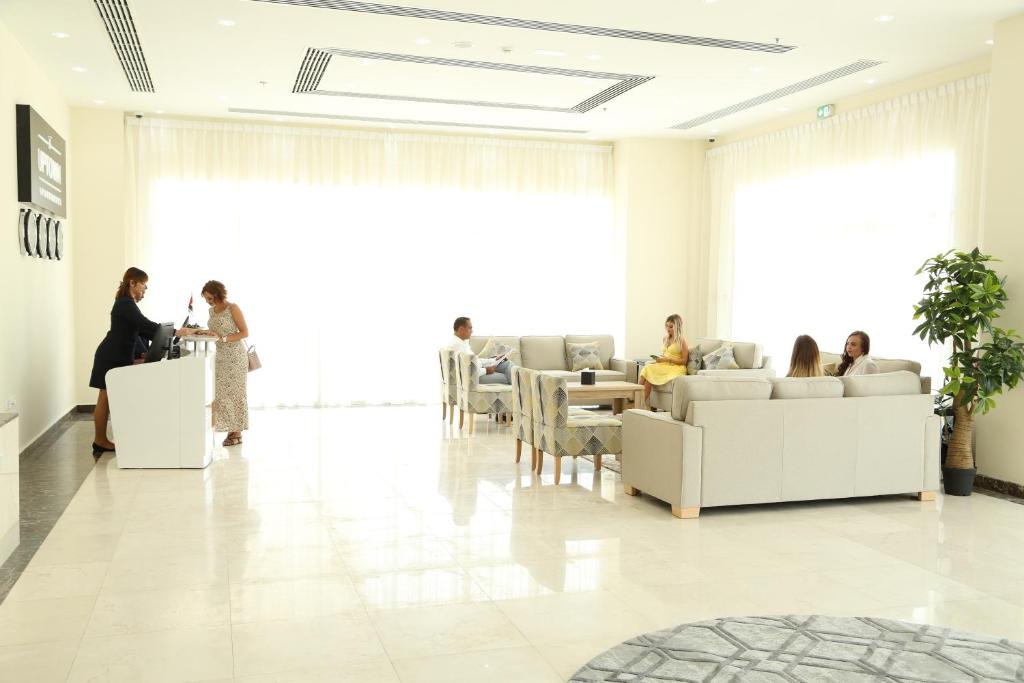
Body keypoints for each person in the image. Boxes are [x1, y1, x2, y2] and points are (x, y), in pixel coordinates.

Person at [88, 267, 188, 458]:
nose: (145, 289)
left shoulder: (128, 303)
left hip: (117, 354)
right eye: (144, 285)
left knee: (107, 397)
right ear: (132, 282)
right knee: (105, 397)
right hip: (111, 355)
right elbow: (144, 324)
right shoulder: (125, 303)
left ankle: (104, 439)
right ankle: (99, 440)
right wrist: (175, 332)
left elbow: (140, 330)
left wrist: (155, 343)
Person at [192, 280, 250, 446]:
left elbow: (244, 332)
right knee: (223, 394)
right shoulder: (212, 311)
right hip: (221, 357)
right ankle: (230, 429)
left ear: (218, 294)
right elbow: (216, 332)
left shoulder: (233, 308)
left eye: (210, 298)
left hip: (236, 356)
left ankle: (237, 433)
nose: (208, 302)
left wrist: (222, 338)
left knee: (236, 393)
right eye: (206, 299)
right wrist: (206, 333)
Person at [447, 316, 513, 384]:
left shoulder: (461, 343)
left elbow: (476, 361)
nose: (472, 331)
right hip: (474, 378)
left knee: (508, 364)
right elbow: (467, 371)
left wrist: (494, 360)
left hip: (479, 370)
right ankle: (518, 385)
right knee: (510, 377)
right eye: (470, 328)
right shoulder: (456, 346)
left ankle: (518, 381)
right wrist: (486, 370)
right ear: (461, 329)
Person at [639, 314, 689, 406]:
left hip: (676, 367)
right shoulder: (665, 339)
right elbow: (665, 354)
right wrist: (659, 359)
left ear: (677, 327)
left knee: (649, 369)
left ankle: (638, 403)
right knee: (647, 370)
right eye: (667, 326)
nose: (668, 329)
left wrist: (668, 359)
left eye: (671, 327)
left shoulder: (682, 341)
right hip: (665, 365)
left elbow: (684, 361)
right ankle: (639, 401)